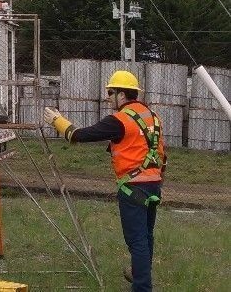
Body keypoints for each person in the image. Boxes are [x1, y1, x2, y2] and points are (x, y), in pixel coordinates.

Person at [43, 70, 166, 292]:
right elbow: (161, 154)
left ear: (121, 94)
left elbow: (78, 135)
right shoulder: (153, 117)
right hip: (154, 184)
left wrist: (57, 121)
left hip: (132, 189)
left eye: (110, 92)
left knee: (136, 241)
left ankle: (142, 287)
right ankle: (141, 273)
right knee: (147, 236)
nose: (108, 97)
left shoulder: (119, 120)